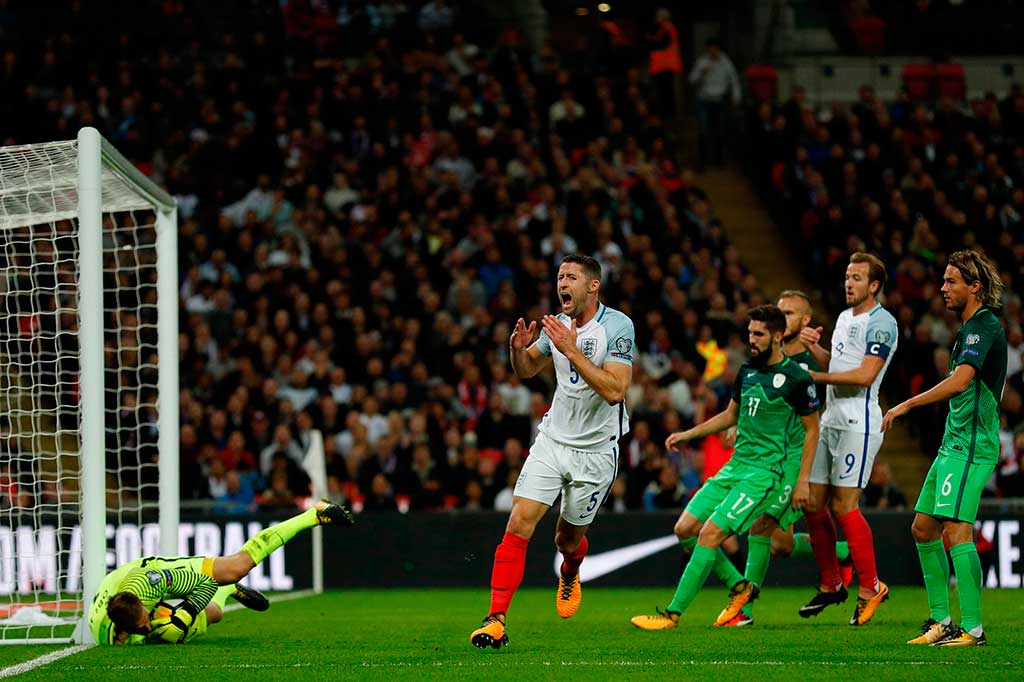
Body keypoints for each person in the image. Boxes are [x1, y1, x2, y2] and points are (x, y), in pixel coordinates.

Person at [470, 254, 635, 649]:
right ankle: (495, 620)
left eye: (571, 276)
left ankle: (571, 570)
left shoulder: (617, 326)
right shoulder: (557, 325)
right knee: (518, 523)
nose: (562, 283)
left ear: (593, 285)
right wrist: (517, 350)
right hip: (553, 440)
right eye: (560, 276)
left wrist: (572, 350)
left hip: (596, 452)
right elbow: (527, 369)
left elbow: (615, 391)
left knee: (566, 540)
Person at [631, 305, 820, 630]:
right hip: (735, 467)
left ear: (777, 336)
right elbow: (731, 415)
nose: (752, 339)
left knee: (710, 533)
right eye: (750, 333)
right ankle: (740, 586)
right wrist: (689, 434)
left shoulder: (797, 379)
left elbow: (812, 430)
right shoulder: (747, 371)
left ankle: (672, 615)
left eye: (758, 334)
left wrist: (802, 480)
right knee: (684, 529)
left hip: (764, 474)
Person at [882, 250, 1006, 647]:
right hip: (953, 444)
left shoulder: (983, 327)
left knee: (956, 529)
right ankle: (940, 620)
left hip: (971, 446)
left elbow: (960, 382)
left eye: (951, 281)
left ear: (975, 286)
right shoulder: (968, 329)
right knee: (923, 527)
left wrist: (907, 403)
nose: (943, 288)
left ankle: (973, 628)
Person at [720, 291, 853, 627]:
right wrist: (738, 426)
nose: (783, 318)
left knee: (761, 527)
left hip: (795, 459)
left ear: (805, 320)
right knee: (780, 544)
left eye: (790, 313)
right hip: (769, 459)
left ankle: (743, 610)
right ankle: (842, 552)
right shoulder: (764, 361)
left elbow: (840, 378)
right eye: (780, 312)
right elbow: (754, 404)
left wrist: (818, 350)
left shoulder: (810, 361)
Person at [90, 500, 353, 645]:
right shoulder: (109, 635)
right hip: (117, 592)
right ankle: (227, 591)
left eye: (145, 618)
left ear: (143, 605)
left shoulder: (152, 583)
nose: (147, 625)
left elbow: (205, 583)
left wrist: (183, 615)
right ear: (123, 629)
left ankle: (314, 514)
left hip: (157, 572)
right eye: (141, 627)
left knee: (237, 567)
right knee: (213, 615)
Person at [797, 252, 898, 625]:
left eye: (857, 278)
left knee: (844, 506)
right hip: (831, 420)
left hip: (860, 423)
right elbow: (838, 366)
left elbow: (865, 376)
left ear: (874, 285)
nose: (849, 283)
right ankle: (831, 583)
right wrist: (814, 350)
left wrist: (814, 377)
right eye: (847, 277)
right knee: (812, 502)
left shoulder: (882, 323)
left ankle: (871, 587)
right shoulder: (843, 318)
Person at [688, 37, 741, 168]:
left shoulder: (726, 62)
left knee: (720, 130)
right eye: (710, 48)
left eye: (715, 48)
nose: (712, 51)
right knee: (703, 130)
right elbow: (691, 80)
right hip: (704, 100)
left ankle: (719, 159)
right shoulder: (702, 61)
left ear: (719, 49)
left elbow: (734, 81)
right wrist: (701, 73)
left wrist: (736, 96)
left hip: (719, 100)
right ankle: (702, 160)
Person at [647, 8, 682, 120]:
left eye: (658, 17)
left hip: (666, 66)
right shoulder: (665, 29)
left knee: (666, 92)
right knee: (665, 92)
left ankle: (668, 116)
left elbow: (661, 43)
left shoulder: (667, 28)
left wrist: (651, 39)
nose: (656, 19)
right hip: (664, 66)